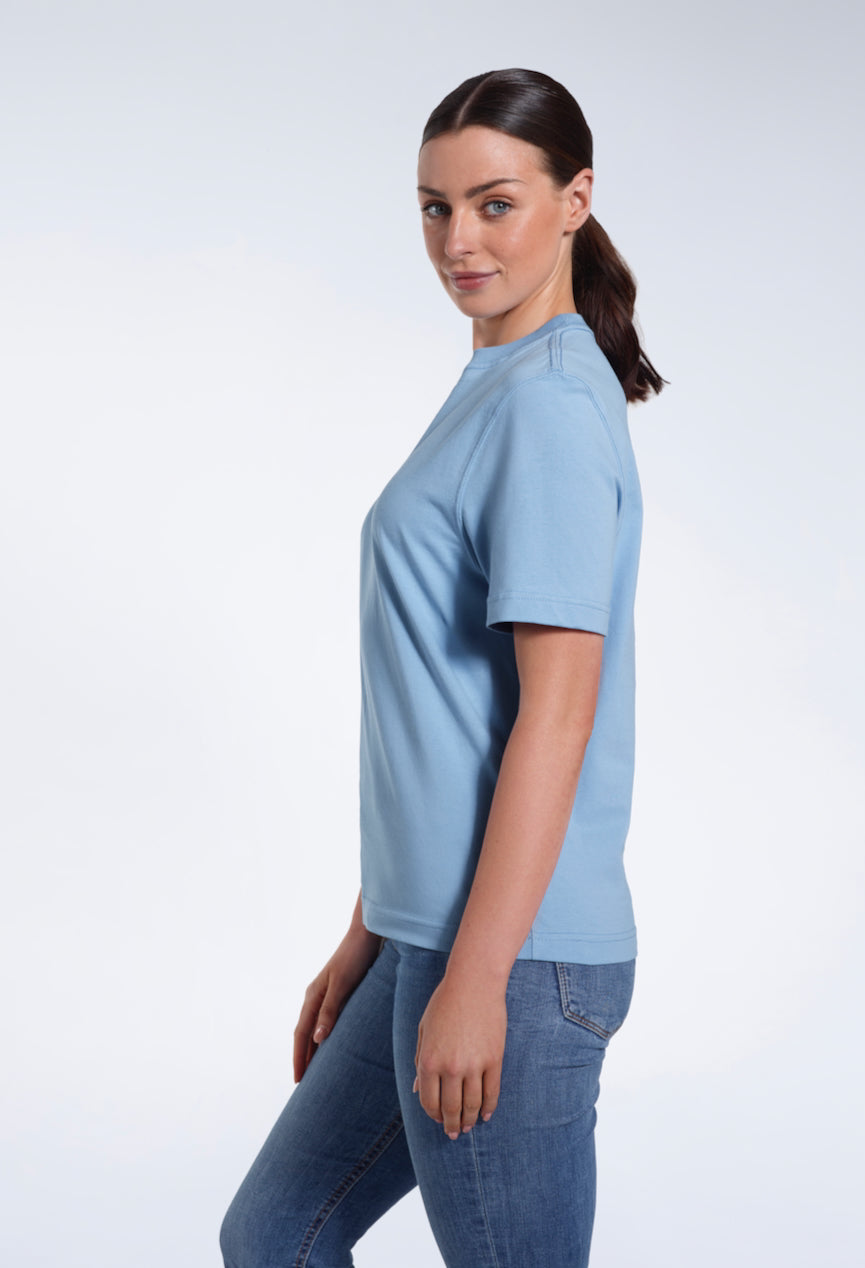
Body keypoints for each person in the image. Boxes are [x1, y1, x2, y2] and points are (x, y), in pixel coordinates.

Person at [220, 67, 664, 1268]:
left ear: (575, 201)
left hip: (514, 958)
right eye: (433, 207)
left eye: (494, 203)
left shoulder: (555, 408)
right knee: (273, 1234)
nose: (458, 240)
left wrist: (473, 979)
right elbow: (449, 706)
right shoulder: (496, 386)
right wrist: (375, 926)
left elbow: (552, 721)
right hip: (434, 932)